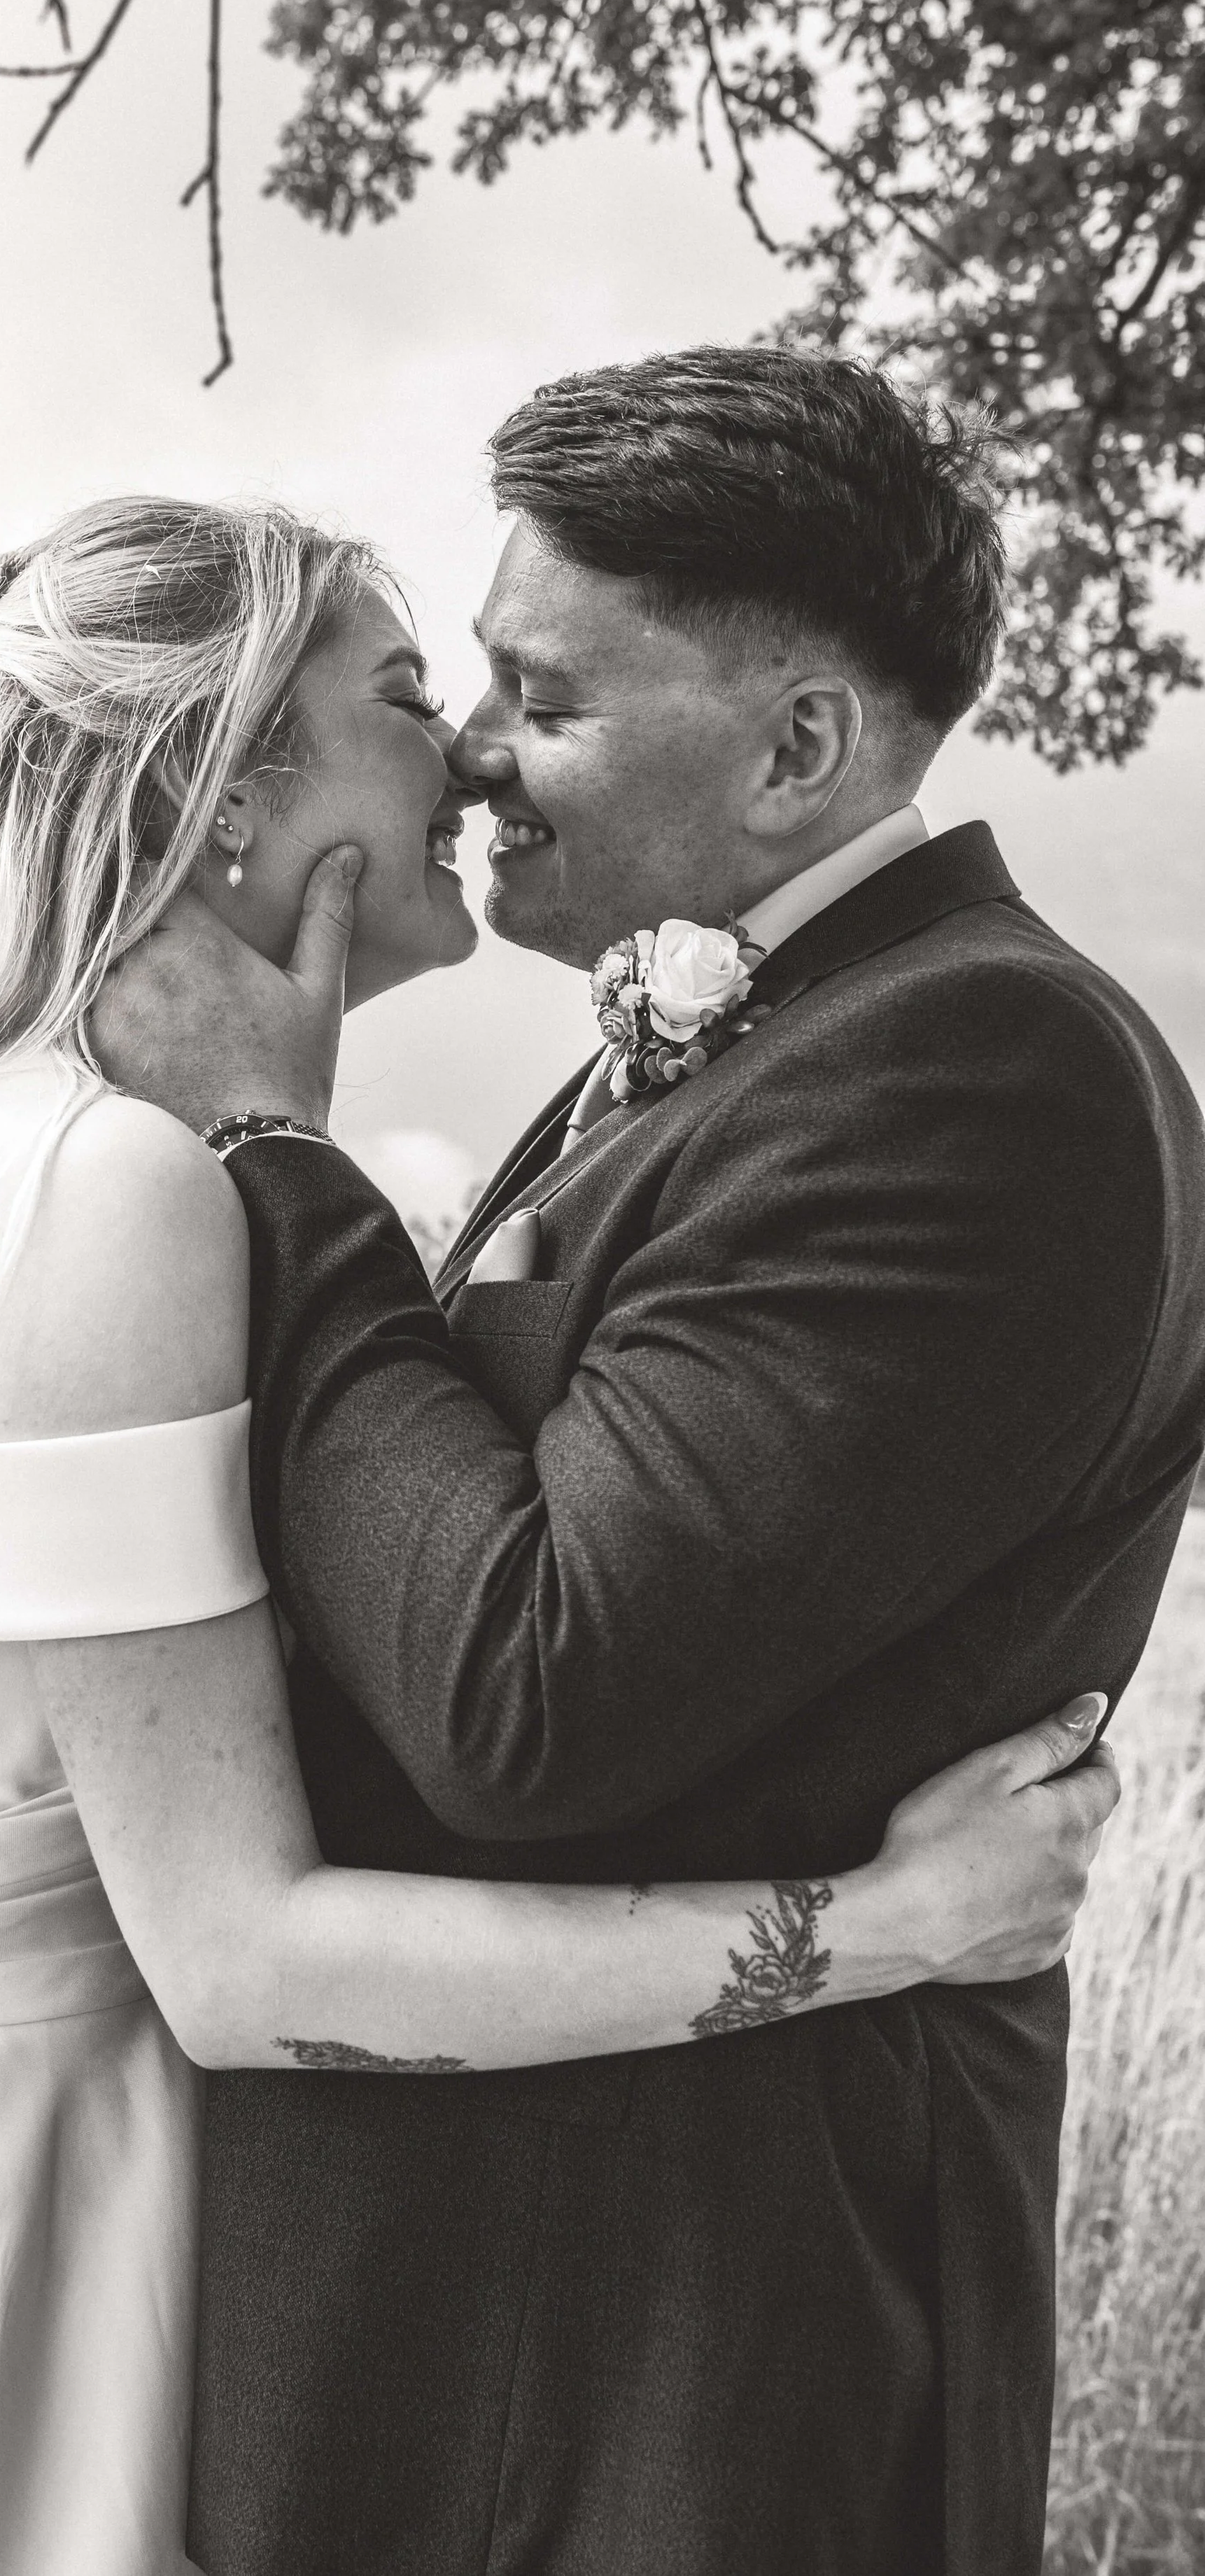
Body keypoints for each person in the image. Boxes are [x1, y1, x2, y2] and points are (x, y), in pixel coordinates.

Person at [0, 495, 1118, 2576]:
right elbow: (241, 1959)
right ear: (227, 789)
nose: (470, 755)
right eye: (418, 695)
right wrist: (872, 1928)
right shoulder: (110, 1188)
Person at [92, 360, 1205, 2576]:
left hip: (660, 2369)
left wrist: (275, 1152)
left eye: (540, 695)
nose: (471, 755)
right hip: (494, 2301)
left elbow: (529, 1685)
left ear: (796, 749)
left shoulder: (983, 1073)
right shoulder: (780, 1040)